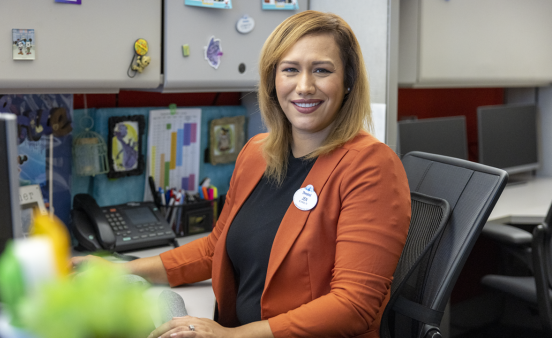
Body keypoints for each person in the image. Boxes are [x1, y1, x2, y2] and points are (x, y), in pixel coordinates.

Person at [72, 10, 410, 338]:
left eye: (322, 70)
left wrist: (233, 336)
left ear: (348, 81)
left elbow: (354, 305)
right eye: (290, 69)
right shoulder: (257, 153)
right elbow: (213, 249)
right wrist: (120, 269)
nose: (304, 86)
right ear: (272, 80)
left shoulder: (370, 166)